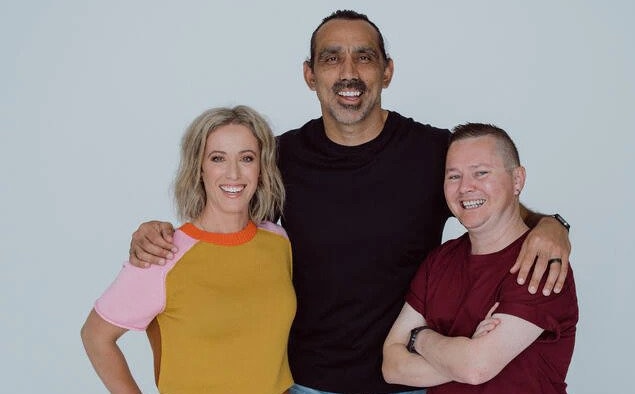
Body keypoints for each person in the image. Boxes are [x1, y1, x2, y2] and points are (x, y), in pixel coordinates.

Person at [127, 10, 573, 394]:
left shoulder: (432, 152)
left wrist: (552, 225)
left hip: (413, 381)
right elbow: (227, 229)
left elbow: (487, 202)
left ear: (387, 71)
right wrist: (158, 232)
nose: (349, 72)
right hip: (306, 380)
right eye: (331, 58)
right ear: (310, 74)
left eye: (364, 56)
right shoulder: (282, 158)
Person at [81, 106, 295, 394]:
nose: (233, 173)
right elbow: (96, 336)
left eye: (247, 158)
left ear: (261, 167)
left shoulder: (278, 241)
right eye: (218, 158)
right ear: (199, 168)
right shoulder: (163, 253)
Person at [382, 123, 578, 393]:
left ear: (517, 180)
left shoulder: (541, 264)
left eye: (481, 173)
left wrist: (420, 338)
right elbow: (392, 366)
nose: (465, 187)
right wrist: (463, 356)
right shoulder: (440, 260)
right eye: (454, 176)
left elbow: (475, 368)